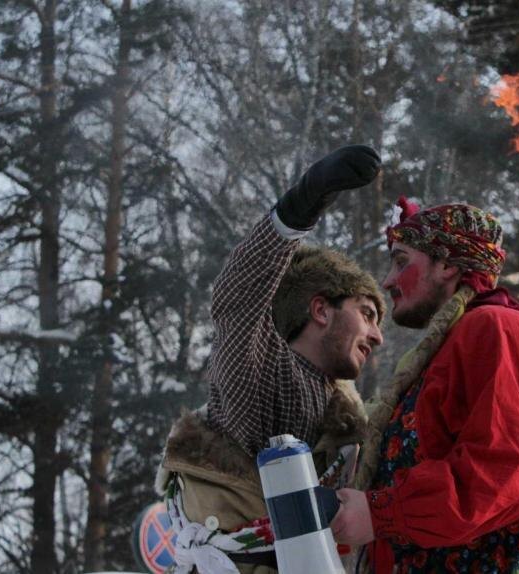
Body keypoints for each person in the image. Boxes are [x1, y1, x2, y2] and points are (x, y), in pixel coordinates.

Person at [331, 198, 519, 573]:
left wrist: (384, 512)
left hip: (509, 558)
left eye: (401, 261)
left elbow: (508, 466)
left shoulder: (497, 327)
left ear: (447, 265)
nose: (388, 281)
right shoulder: (454, 343)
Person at [155, 145, 385, 574]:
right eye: (367, 314)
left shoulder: (345, 415)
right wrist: (301, 204)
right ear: (321, 310)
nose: (378, 336)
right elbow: (237, 298)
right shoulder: (259, 377)